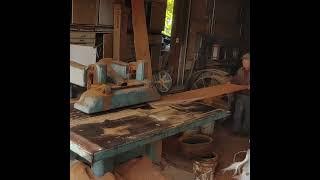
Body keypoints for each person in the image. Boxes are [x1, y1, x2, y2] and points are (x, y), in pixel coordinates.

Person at [231, 53, 250, 136]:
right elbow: (235, 79)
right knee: (237, 114)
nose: (244, 63)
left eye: (246, 61)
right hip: (240, 95)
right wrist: (230, 82)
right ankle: (236, 130)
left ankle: (245, 131)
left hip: (248, 96)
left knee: (248, 115)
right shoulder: (240, 70)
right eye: (243, 61)